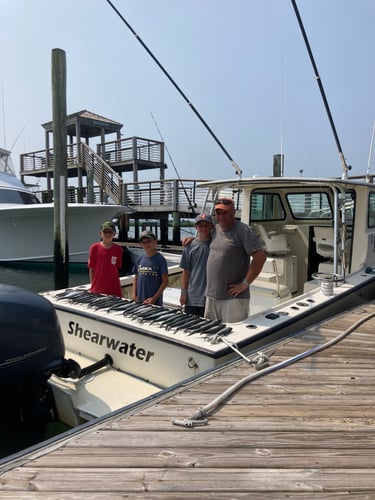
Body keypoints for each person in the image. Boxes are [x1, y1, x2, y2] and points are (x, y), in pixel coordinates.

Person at [205, 198, 266, 323]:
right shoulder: (215, 229)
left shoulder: (243, 230)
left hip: (232, 298)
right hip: (212, 295)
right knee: (209, 334)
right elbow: (203, 237)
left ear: (233, 212)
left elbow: (260, 257)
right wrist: (191, 240)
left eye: (225, 212)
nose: (221, 216)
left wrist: (245, 284)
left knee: (232, 334)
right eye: (218, 213)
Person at [179, 213, 214, 316]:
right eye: (200, 226)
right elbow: (186, 272)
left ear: (211, 226)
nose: (203, 228)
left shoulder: (216, 244)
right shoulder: (189, 247)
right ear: (196, 227)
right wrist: (183, 293)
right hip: (192, 296)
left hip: (210, 297)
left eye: (206, 225)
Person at [132, 230, 169, 305]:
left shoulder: (160, 260)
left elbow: (165, 282)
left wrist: (154, 298)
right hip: (139, 300)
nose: (147, 244)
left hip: (154, 302)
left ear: (155, 241)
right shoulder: (140, 259)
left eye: (149, 241)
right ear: (141, 244)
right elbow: (136, 278)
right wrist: (134, 295)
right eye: (144, 242)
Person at [88, 221, 123, 298]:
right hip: (98, 288)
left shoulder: (118, 249)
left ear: (114, 234)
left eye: (110, 232)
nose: (108, 234)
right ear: (100, 233)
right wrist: (92, 285)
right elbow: (91, 268)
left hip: (114, 288)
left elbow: (116, 268)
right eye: (105, 232)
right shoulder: (94, 248)